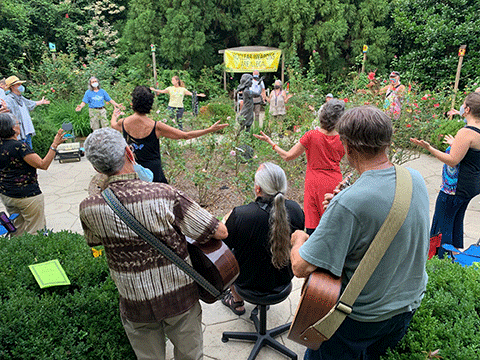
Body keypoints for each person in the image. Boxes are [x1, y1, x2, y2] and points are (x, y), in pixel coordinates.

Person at [290, 106, 429, 360]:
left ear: (348, 147)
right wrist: (344, 206)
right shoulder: (415, 178)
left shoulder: (350, 203)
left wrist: (299, 237)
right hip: (405, 309)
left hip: (362, 320)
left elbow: (300, 267)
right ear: (386, 142)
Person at [79, 127, 228, 360]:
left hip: (134, 301)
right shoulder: (165, 194)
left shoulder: (89, 207)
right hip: (179, 298)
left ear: (97, 168)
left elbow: (94, 240)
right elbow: (218, 231)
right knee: (190, 356)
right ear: (130, 152)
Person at [221, 162, 304, 315]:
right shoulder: (296, 210)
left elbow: (224, 245)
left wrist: (226, 222)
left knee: (227, 254)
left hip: (247, 283)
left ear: (258, 188)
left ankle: (237, 301)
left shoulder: (241, 215)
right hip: (282, 281)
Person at [254, 99, 346, 234]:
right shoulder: (343, 138)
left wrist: (271, 142)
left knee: (313, 228)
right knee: (333, 225)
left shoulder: (311, 136)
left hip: (314, 182)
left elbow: (287, 156)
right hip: (335, 181)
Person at [411, 91, 480, 258]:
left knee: (443, 225)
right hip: (469, 187)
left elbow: (452, 160)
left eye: (463, 104)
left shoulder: (466, 132)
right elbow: (470, 154)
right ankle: (453, 257)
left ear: (468, 109)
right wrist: (455, 144)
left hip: (454, 188)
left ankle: (439, 259)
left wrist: (429, 148)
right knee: (455, 222)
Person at [111, 86, 227, 183]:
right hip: (154, 174)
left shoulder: (124, 122)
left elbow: (114, 125)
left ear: (132, 103)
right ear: (150, 104)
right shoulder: (156, 126)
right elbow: (185, 135)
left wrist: (114, 116)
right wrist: (209, 129)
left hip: (132, 172)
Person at [0, 113, 65, 236]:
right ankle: (36, 255)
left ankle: (20, 254)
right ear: (13, 129)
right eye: (18, 123)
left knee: (17, 230)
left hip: (7, 195)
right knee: (36, 231)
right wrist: (55, 144)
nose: (19, 125)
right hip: (27, 196)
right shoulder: (19, 147)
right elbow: (43, 164)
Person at [4, 75, 50, 149]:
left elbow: (30, 104)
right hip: (19, 134)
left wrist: (41, 102)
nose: (21, 86)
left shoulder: (21, 98)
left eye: (21, 84)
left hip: (27, 131)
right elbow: (7, 113)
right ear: (12, 87)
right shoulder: (9, 100)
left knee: (30, 154)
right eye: (18, 84)